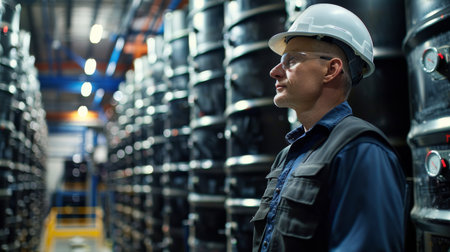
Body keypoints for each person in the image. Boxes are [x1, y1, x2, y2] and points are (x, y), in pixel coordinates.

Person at [251, 3, 406, 252]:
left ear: (331, 69)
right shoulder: (287, 156)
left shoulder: (360, 150)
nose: (274, 71)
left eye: (291, 61)